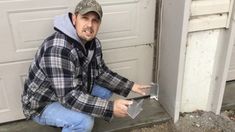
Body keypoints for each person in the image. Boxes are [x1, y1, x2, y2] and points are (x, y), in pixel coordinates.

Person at [21, 0, 149, 131]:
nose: (90, 25)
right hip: (44, 103)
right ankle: (75, 121)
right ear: (74, 18)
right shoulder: (58, 49)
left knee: (105, 91)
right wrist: (110, 108)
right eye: (85, 18)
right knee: (84, 122)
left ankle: (77, 113)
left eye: (95, 20)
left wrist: (130, 85)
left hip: (69, 89)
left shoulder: (93, 43)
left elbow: (101, 72)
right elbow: (68, 97)